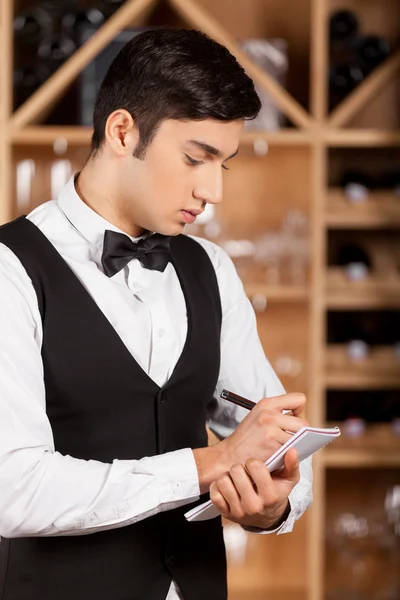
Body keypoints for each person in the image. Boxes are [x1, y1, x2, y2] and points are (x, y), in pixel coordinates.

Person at [0, 28, 312, 600]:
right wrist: (207, 464)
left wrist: (272, 505)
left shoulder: (211, 268)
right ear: (123, 131)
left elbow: (270, 441)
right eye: (197, 158)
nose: (214, 190)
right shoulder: (10, 270)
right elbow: (13, 490)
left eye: (226, 165)